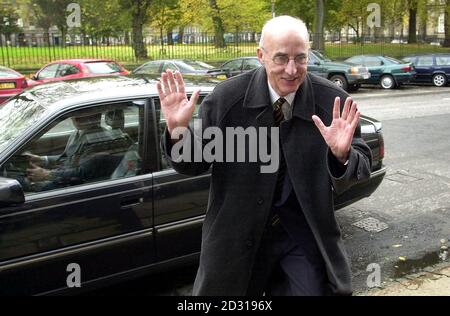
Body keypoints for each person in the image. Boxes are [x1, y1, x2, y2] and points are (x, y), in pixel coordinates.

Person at [158, 16, 372, 296]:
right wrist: (177, 131)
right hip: (238, 237)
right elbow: (192, 163)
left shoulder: (331, 101)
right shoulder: (226, 100)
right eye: (281, 58)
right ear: (261, 55)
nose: (292, 70)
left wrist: (341, 155)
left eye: (301, 58)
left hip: (302, 236)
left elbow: (362, 165)